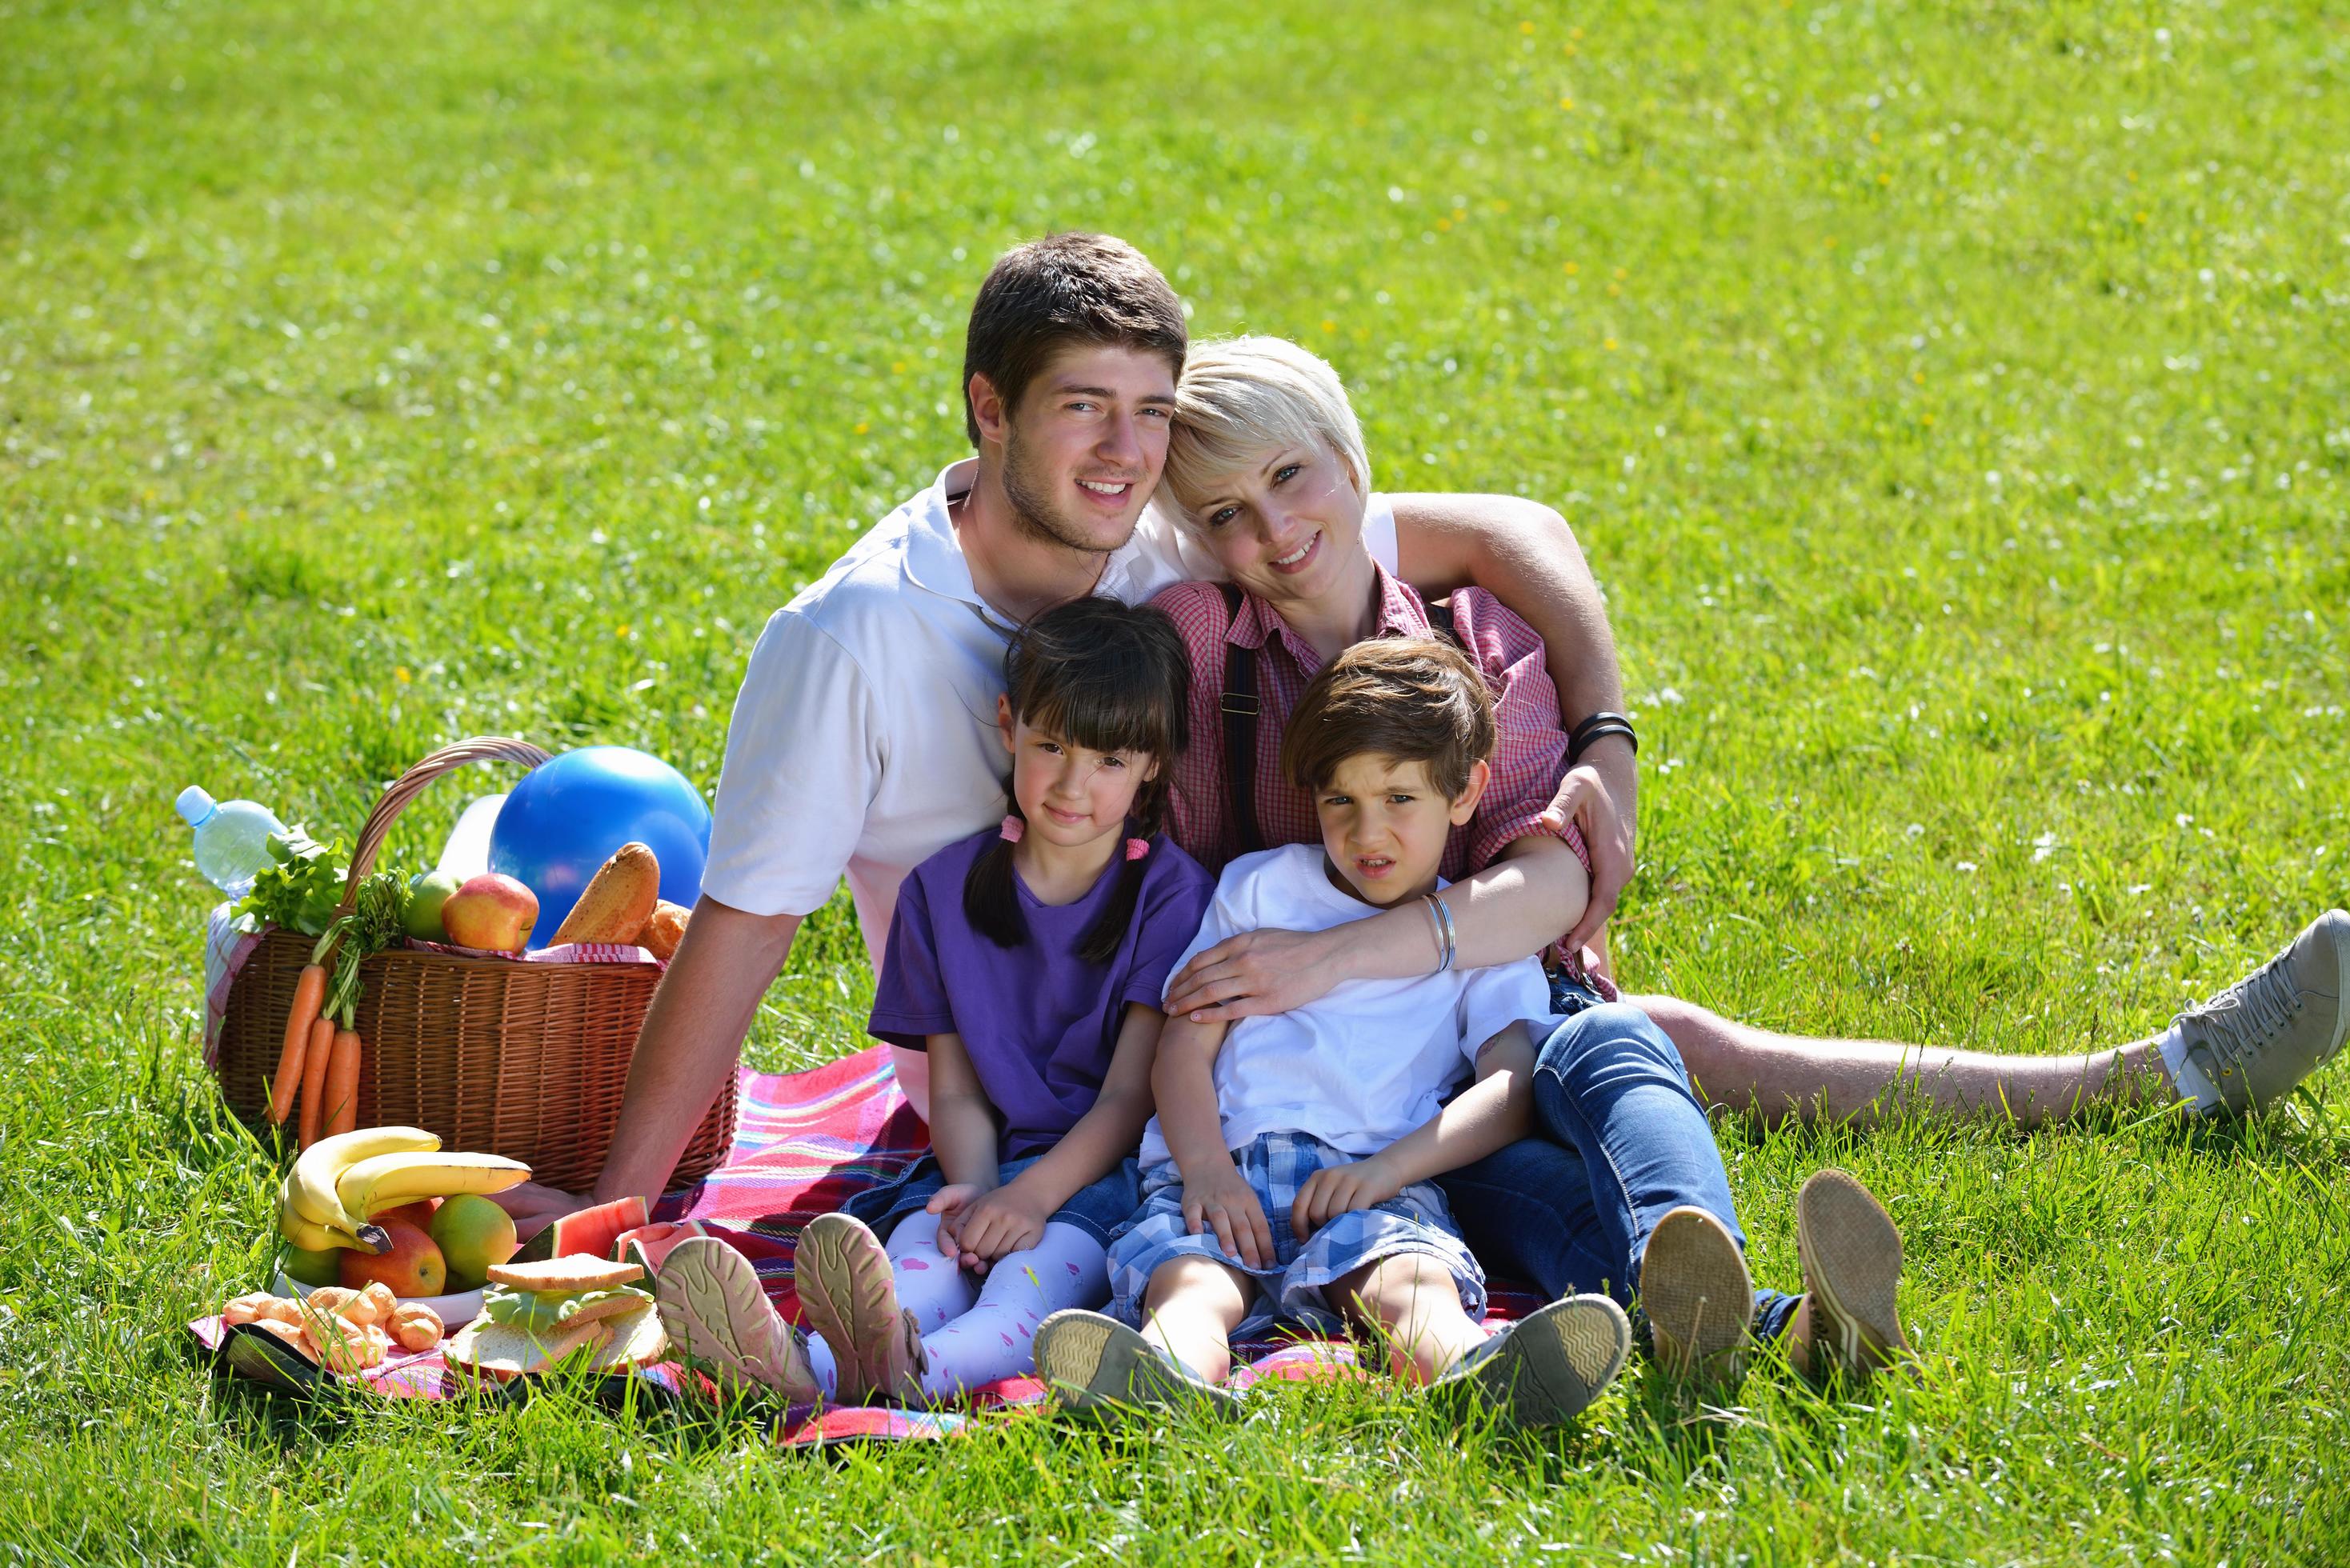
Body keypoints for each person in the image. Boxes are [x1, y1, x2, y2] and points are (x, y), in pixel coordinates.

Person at [1132, 333, 2348, 1336]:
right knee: (1571, 1174)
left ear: (1355, 470)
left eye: (1292, 479)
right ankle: (1771, 1328)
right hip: (1313, 1099)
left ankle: (2148, 1075)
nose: (1272, 532)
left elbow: (1547, 884)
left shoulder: (1477, 637)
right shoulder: (1198, 645)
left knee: (1634, 1042)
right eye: (1227, 514)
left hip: (1484, 1049)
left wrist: (1350, 954)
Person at [498, 231, 1643, 1231]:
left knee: (1587, 1054)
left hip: (1242, 1030)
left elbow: (1511, 529)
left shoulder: (1178, 532)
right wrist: (623, 1196)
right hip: (1017, 1105)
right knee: (1568, 1095)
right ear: (990, 408)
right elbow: (743, 928)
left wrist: (1604, 738)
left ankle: (1747, 1250)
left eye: (1148, 411)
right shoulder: (851, 638)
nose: (1122, 452)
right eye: (1082, 407)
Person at [1031, 638, 1911, 1426]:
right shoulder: (1262, 888)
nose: (1365, 832)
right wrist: (1206, 1169)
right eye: (1338, 801)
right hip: (1230, 1163)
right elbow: (1185, 1044)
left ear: (1467, 793)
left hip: (1375, 1172)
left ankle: (1481, 1373)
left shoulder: (1479, 936)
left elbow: (1512, 1083)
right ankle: (1164, 1378)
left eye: (1399, 798)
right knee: (1191, 1284)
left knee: (1412, 1290)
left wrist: (1390, 1167)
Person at [654, 599, 1215, 1404]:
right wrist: (977, 1190)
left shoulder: (1169, 895)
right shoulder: (941, 891)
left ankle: (876, 1377)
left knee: (1019, 1293)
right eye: (1050, 745)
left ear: (1154, 763)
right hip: (971, 1162)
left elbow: (1131, 1096)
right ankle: (808, 1359)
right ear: (1007, 723)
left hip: (1100, 1181)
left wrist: (1027, 1197)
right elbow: (953, 1089)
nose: (1071, 784)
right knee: (920, 1266)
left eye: (1109, 760)